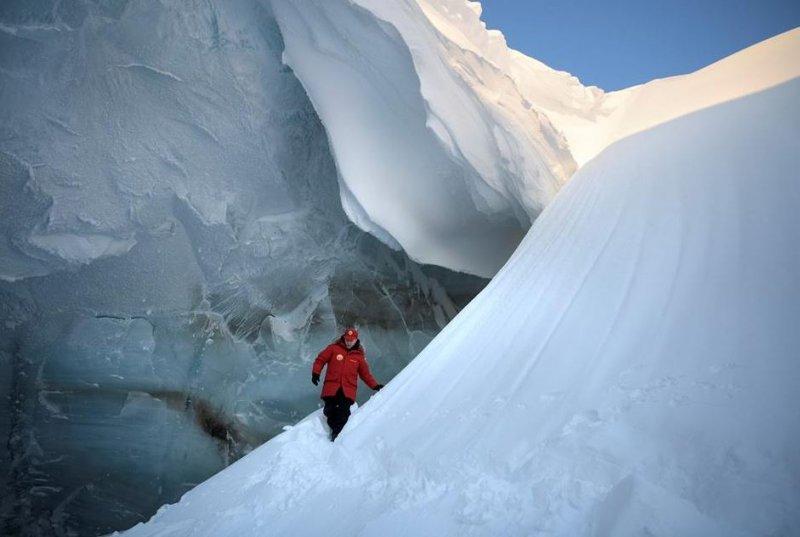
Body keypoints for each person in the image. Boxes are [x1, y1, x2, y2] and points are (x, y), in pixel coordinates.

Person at [312, 327, 383, 441]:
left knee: (343, 412)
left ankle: (338, 437)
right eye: (347, 339)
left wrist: (375, 386)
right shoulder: (333, 349)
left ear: (356, 340)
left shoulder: (359, 357)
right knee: (329, 410)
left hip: (347, 391)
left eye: (351, 340)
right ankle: (336, 429)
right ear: (344, 338)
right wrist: (316, 373)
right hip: (331, 388)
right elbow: (320, 359)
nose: (349, 342)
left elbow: (366, 375)